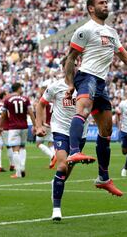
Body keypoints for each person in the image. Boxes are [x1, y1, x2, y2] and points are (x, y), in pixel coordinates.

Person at [64, 0, 127, 196]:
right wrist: (70, 83)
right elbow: (70, 58)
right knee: (82, 110)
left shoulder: (112, 32)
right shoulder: (85, 30)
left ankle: (103, 178)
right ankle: (73, 152)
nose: (106, 5)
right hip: (87, 77)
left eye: (106, 2)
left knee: (106, 130)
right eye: (101, 3)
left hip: (100, 82)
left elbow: (125, 56)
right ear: (91, 8)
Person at [35, 72, 89, 221]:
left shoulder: (87, 87)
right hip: (60, 130)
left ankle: (56, 183)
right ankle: (56, 209)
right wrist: (38, 126)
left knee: (66, 170)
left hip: (79, 134)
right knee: (62, 166)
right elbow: (40, 104)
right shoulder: (55, 86)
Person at [0, 83, 36, 178]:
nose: (22, 89)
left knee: (15, 149)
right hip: (24, 126)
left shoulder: (7, 100)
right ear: (18, 88)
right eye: (21, 88)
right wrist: (35, 125)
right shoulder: (25, 99)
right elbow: (31, 113)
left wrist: (0, 127)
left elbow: (3, 114)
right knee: (23, 147)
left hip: (13, 127)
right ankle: (22, 166)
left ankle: (18, 171)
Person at [0, 91, 14, 172]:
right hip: (6, 128)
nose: (8, 96)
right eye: (7, 95)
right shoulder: (7, 105)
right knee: (9, 146)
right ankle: (12, 165)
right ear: (4, 96)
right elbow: (8, 116)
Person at [34, 84, 55, 167]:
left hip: (45, 124)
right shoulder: (53, 100)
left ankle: (52, 156)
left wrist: (42, 123)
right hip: (52, 124)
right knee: (51, 143)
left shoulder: (44, 100)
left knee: (38, 143)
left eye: (40, 90)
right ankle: (52, 162)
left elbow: (43, 112)